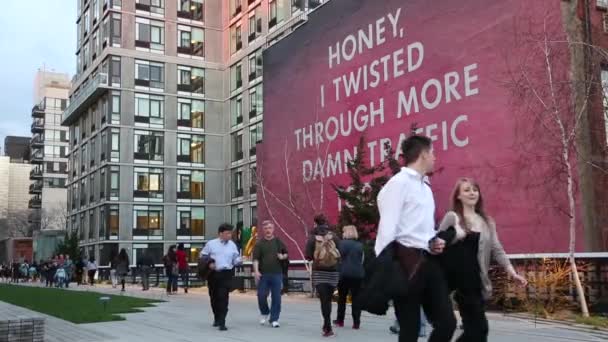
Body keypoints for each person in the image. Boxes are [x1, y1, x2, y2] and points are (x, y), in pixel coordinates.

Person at [374, 135, 456, 342]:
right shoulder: (397, 184)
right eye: (433, 153)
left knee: (447, 323)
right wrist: (386, 271)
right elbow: (386, 230)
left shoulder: (425, 187)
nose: (435, 158)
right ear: (423, 154)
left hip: (429, 262)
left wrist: (434, 241)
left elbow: (423, 229)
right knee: (409, 330)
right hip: (405, 265)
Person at [436, 178, 527, 342]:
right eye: (467, 190)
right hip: (456, 282)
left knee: (477, 332)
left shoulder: (487, 221)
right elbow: (437, 243)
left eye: (474, 189)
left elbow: (497, 249)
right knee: (479, 330)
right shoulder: (453, 217)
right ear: (458, 196)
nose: (472, 193)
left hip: (476, 282)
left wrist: (512, 273)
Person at [201, 223, 242, 331]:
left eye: (230, 233)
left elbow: (235, 259)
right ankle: (217, 317)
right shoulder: (211, 244)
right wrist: (209, 263)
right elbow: (203, 256)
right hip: (214, 274)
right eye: (227, 233)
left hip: (227, 274)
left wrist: (239, 260)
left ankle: (222, 321)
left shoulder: (232, 245)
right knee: (214, 297)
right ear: (220, 233)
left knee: (224, 297)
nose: (230, 235)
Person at [305, 214, 341, 337]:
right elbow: (340, 253)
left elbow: (308, 256)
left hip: (319, 272)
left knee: (323, 300)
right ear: (326, 223)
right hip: (333, 272)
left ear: (315, 223)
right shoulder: (334, 236)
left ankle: (327, 326)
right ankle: (327, 326)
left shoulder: (312, 237)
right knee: (329, 300)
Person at [252, 220, 288, 328]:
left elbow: (286, 254)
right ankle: (265, 312)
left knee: (276, 297)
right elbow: (255, 259)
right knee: (261, 295)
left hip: (277, 273)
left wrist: (283, 256)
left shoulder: (278, 242)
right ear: (263, 230)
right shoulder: (259, 244)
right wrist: (256, 271)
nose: (268, 230)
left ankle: (274, 319)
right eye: (266, 228)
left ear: (273, 229)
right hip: (263, 274)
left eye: (270, 228)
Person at [334, 225, 364, 330]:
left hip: (344, 274)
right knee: (356, 299)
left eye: (343, 232)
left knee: (342, 298)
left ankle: (340, 320)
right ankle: (356, 323)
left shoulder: (341, 244)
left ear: (346, 233)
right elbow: (362, 260)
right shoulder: (360, 245)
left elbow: (337, 258)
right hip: (358, 275)